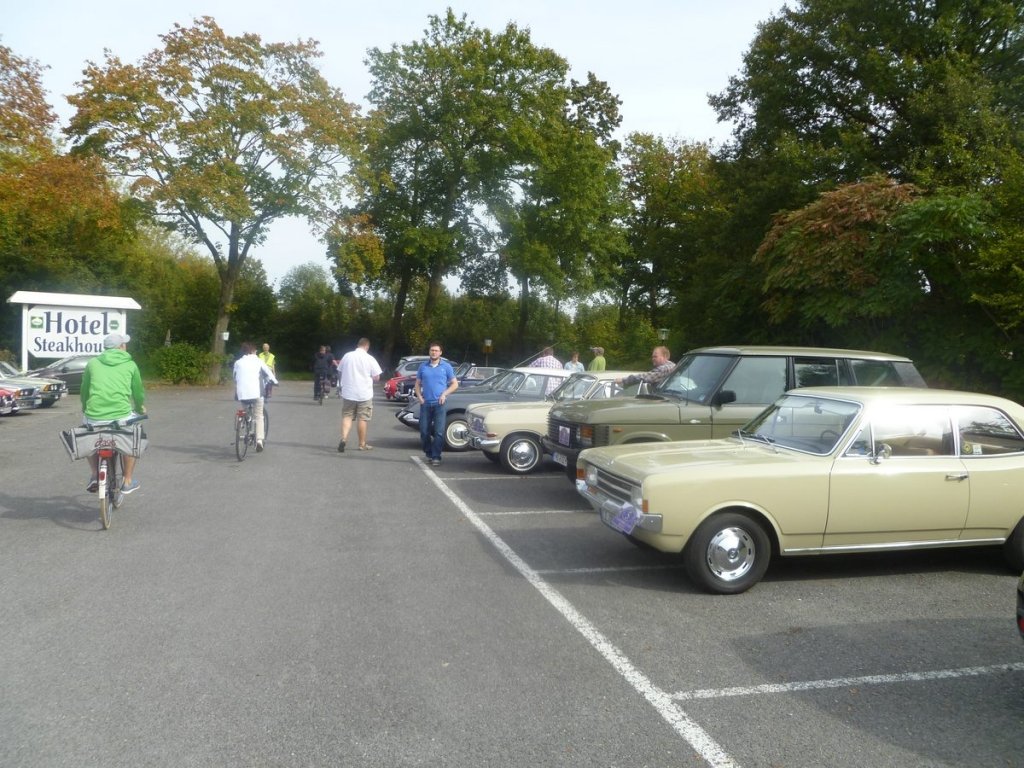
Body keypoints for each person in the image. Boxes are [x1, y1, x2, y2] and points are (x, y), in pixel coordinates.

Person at [80, 333, 146, 495]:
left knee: (88, 436)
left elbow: (84, 389)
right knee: (131, 439)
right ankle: (127, 481)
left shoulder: (93, 363)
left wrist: (85, 407)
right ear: (121, 346)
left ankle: (95, 475)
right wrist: (140, 407)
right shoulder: (130, 364)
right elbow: (138, 392)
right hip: (121, 415)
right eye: (125, 344)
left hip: (94, 414)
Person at [414, 341, 459, 466]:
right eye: (432, 350)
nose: (434, 352)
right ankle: (429, 453)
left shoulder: (446, 367)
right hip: (425, 404)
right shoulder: (423, 366)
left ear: (440, 353)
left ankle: (436, 456)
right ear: (429, 352)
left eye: (436, 350)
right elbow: (417, 384)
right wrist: (419, 397)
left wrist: (444, 394)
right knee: (424, 432)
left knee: (439, 432)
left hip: (439, 404)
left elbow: (455, 384)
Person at [337, 337, 383, 453]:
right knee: (362, 418)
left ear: (358, 345)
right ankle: (362, 444)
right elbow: (377, 377)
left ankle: (344, 438)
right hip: (364, 394)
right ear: (367, 346)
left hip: (348, 392)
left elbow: (340, 370)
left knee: (347, 416)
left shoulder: (347, 356)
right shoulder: (369, 358)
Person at [234, 341, 278, 452]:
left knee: (246, 411)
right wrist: (275, 382)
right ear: (253, 351)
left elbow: (234, 376)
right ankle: (259, 440)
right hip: (256, 394)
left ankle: (245, 420)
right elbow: (269, 373)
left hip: (242, 394)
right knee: (259, 415)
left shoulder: (238, 362)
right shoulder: (258, 361)